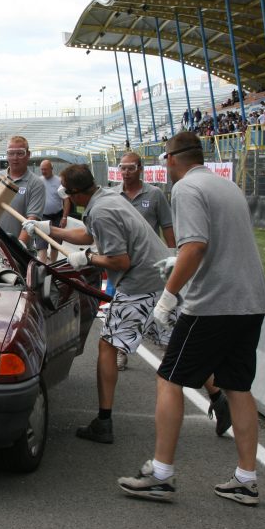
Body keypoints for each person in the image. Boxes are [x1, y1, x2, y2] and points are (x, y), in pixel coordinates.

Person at [117, 132, 265, 506]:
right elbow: (215, 243)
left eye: (163, 158)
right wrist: (181, 257)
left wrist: (169, 295)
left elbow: (196, 245)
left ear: (172, 159)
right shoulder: (227, 186)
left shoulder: (185, 190)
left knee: (169, 379)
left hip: (213, 303)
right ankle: (246, 478)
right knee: (237, 386)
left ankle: (161, 473)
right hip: (250, 301)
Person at [25, 164, 172, 446]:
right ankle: (219, 398)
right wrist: (50, 229)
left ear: (77, 193)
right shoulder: (104, 198)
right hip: (158, 278)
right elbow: (88, 236)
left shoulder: (102, 211)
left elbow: (119, 261)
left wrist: (87, 259)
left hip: (138, 284)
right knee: (174, 343)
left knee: (107, 345)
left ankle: (103, 422)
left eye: (67, 193)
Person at [114, 151, 176, 372]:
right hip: (124, 264)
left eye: (131, 168)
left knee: (161, 309)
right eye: (123, 168)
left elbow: (167, 226)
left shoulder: (155, 194)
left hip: (154, 264)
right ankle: (121, 351)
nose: (126, 172)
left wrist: (172, 255)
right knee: (123, 309)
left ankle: (170, 354)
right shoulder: (114, 196)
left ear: (140, 169)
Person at [36, 159, 64, 262]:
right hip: (43, 216)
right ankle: (42, 266)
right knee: (41, 244)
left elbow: (66, 200)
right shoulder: (38, 181)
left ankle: (53, 265)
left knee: (55, 244)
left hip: (57, 216)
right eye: (42, 169)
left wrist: (64, 217)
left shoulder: (59, 181)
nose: (43, 171)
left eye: (46, 169)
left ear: (51, 169)